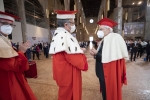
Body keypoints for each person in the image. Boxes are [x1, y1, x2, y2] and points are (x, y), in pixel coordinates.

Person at [49, 10, 88, 100]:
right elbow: (74, 59)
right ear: (66, 24)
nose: (73, 25)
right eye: (72, 23)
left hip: (63, 73)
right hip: (69, 75)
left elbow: (66, 52)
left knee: (64, 94)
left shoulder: (58, 34)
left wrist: (77, 50)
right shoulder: (65, 35)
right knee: (68, 96)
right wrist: (81, 54)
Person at [0, 11, 37, 100]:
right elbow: (16, 66)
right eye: (5, 23)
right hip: (7, 80)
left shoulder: (4, 39)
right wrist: (21, 52)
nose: (9, 27)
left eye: (11, 25)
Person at [90, 18, 129, 100]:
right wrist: (95, 54)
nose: (99, 31)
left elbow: (110, 58)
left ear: (108, 29)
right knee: (105, 94)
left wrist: (97, 54)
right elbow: (104, 56)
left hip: (108, 72)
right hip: (102, 73)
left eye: (101, 29)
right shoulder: (105, 39)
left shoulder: (115, 38)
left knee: (108, 94)